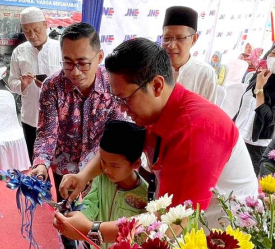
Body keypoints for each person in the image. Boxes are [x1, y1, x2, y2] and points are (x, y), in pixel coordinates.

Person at [53, 38, 258, 245]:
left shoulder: (196, 130)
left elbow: (173, 224)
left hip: (220, 236)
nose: (122, 109)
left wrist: (92, 229)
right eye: (117, 100)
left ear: (157, 85)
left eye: (125, 99)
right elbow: (117, 147)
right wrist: (83, 176)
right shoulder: (155, 111)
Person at [31, 23, 126, 201]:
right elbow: (47, 134)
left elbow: (117, 133)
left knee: (95, 218)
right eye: (67, 62)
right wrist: (41, 163)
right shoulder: (52, 86)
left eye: (83, 63)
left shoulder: (113, 84)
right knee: (66, 215)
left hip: (99, 164)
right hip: (63, 165)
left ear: (99, 57)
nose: (75, 72)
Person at [78, 120, 148, 248]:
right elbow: (91, 203)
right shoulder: (100, 178)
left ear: (136, 164)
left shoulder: (145, 194)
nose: (106, 170)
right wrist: (78, 216)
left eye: (114, 165)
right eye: (103, 162)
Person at [8, 7, 62, 163]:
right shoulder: (18, 52)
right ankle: (39, 187)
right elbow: (12, 82)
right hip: (31, 117)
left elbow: (72, 81)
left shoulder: (60, 49)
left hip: (59, 116)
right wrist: (22, 85)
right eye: (27, 31)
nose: (32, 35)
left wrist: (50, 85)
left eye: (36, 29)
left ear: (46, 24)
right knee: (34, 159)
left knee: (60, 161)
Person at [161, 6, 217, 103]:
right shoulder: (150, 68)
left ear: (194, 39)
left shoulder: (205, 74)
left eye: (180, 38)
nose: (171, 45)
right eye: (167, 38)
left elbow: (208, 114)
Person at [234, 46, 275, 177]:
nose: (273, 58)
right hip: (236, 136)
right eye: (273, 54)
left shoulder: (262, 82)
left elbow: (269, 119)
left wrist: (259, 88)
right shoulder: (259, 75)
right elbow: (243, 108)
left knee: (244, 185)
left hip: (255, 145)